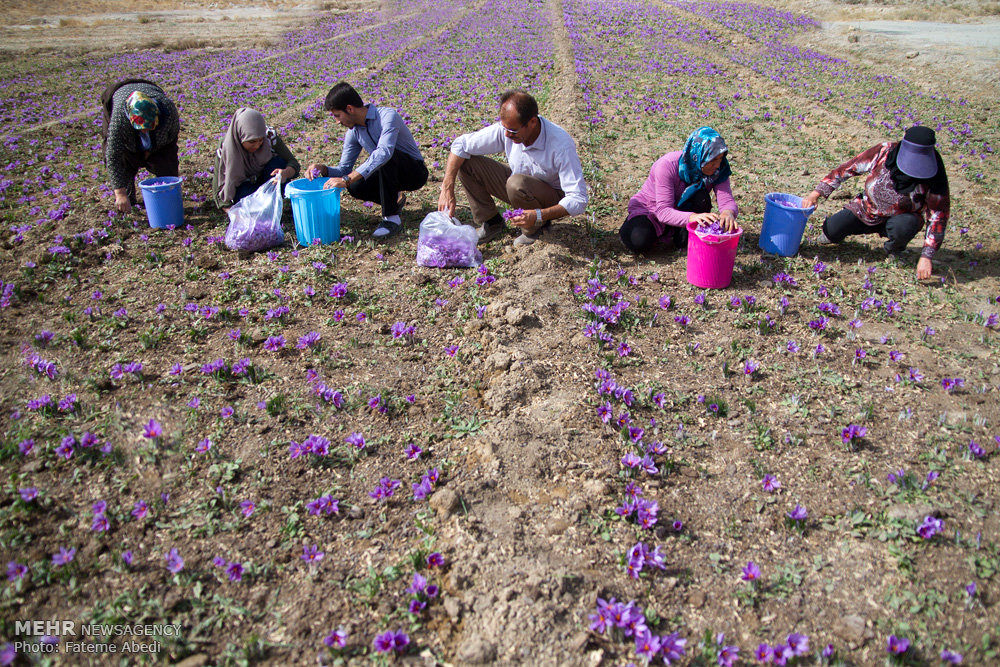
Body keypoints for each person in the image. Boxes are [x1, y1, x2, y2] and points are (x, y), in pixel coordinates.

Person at [438, 89, 588, 246]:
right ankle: (491, 222)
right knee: (467, 163)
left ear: (532, 122)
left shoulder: (560, 144)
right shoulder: (507, 130)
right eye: (505, 129)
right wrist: (447, 187)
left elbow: (578, 198)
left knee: (516, 183)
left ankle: (534, 229)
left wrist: (538, 215)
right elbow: (461, 145)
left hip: (550, 197)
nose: (507, 135)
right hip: (520, 188)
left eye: (513, 131)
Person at [800, 125, 949, 279]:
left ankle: (895, 247)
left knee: (906, 225)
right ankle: (836, 230)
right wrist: (816, 193)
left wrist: (926, 256)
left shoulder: (934, 172)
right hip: (866, 211)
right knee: (831, 230)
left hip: (901, 219)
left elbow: (938, 216)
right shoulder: (884, 152)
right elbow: (846, 169)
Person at [305, 82, 428, 239]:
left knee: (382, 157)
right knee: (355, 186)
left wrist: (347, 178)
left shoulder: (387, 116)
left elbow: (384, 153)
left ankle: (391, 219)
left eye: (337, 115)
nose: (337, 121)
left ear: (349, 109)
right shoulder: (354, 132)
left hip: (414, 173)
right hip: (388, 174)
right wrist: (323, 169)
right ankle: (394, 198)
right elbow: (344, 169)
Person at [620, 126, 738, 253]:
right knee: (639, 239)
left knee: (700, 198)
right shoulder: (667, 166)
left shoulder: (719, 169)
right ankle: (637, 225)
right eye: (713, 160)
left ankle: (676, 233)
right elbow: (663, 211)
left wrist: (728, 212)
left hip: (683, 210)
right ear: (699, 155)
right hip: (652, 209)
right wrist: (692, 217)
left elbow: (727, 200)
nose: (718, 165)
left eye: (720, 159)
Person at [100, 79, 180, 214]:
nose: (144, 131)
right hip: (118, 97)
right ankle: (128, 200)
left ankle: (167, 198)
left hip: (152, 92)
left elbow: (171, 139)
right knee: (125, 158)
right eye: (141, 128)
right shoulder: (119, 120)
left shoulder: (168, 111)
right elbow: (113, 155)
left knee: (166, 159)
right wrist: (120, 193)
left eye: (149, 127)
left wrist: (152, 150)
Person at [213, 107, 300, 210]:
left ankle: (275, 201)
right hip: (245, 185)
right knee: (245, 198)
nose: (257, 145)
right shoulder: (226, 148)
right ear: (240, 136)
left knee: (277, 163)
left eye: (260, 140)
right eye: (252, 141)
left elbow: (294, 164)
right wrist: (231, 212)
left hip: (268, 179)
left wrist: (285, 173)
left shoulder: (269, 136)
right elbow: (218, 189)